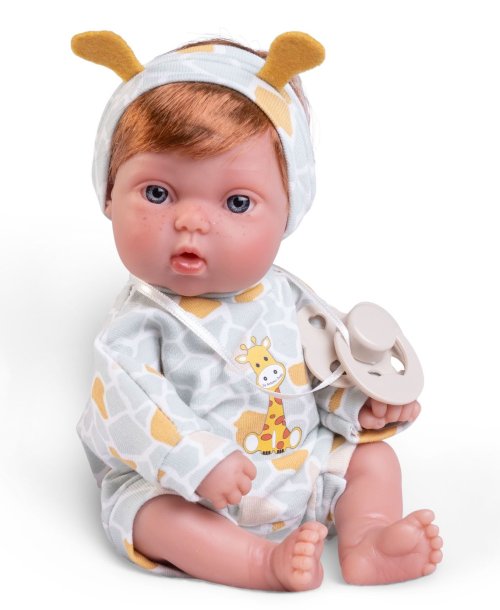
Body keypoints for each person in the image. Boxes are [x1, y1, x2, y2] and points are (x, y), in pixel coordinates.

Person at [72, 30, 443, 591]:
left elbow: (326, 368)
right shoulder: (135, 326)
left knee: (373, 462)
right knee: (149, 515)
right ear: (108, 194)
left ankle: (367, 537)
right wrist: (198, 460)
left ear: (288, 211)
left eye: (237, 202)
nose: (191, 222)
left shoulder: (290, 298)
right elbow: (131, 408)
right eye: (158, 193)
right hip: (188, 488)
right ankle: (257, 562)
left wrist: (361, 405)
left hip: (299, 465)